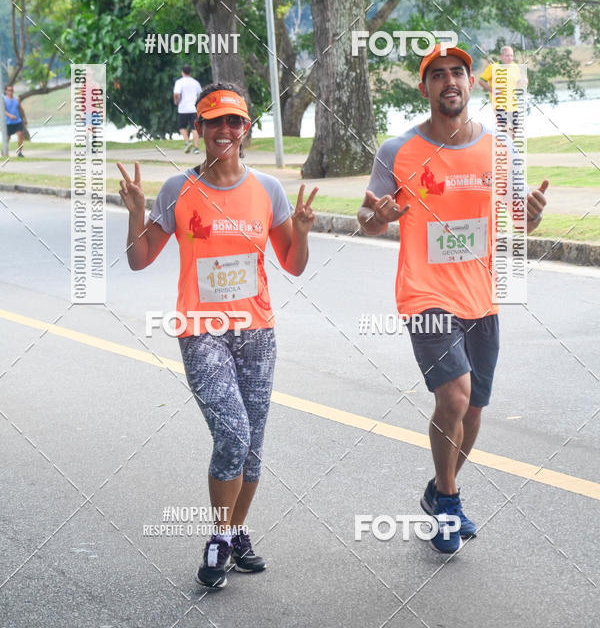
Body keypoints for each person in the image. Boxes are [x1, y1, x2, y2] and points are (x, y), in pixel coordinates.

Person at [117, 82, 317, 589]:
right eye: (214, 122)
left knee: (252, 446)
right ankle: (218, 537)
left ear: (246, 128)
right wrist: (137, 213)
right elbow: (140, 260)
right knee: (232, 433)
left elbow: (292, 265)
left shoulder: (267, 190)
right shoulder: (178, 190)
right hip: (202, 331)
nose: (225, 130)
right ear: (200, 129)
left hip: (257, 333)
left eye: (234, 121)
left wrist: (305, 232)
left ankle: (235, 533)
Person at [358, 45, 548, 554]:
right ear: (424, 88)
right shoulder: (397, 150)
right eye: (437, 74)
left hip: (481, 297)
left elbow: (518, 222)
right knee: (455, 396)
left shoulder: (498, 149)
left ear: (471, 84)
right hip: (425, 295)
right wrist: (379, 217)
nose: (449, 81)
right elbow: (370, 219)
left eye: (458, 73)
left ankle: (440, 490)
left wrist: (530, 214)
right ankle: (447, 501)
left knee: (475, 410)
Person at [479, 45, 525, 137]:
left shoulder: (515, 67)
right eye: (507, 56)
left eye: (511, 55)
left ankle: (509, 149)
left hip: (513, 105)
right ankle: (508, 149)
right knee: (507, 129)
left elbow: (519, 83)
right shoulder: (493, 67)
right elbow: (481, 81)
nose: (510, 58)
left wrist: (524, 81)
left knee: (514, 131)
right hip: (499, 105)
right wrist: (492, 89)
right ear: (501, 56)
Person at [173, 64, 202, 153]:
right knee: (194, 128)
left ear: (182, 72)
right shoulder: (195, 82)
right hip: (193, 108)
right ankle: (196, 148)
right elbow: (200, 94)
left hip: (183, 108)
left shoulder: (179, 82)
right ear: (190, 72)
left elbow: (176, 93)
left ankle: (187, 142)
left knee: (182, 127)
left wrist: (176, 101)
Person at [3, 84, 27, 157]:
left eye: (12, 90)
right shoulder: (3, 99)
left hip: (17, 121)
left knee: (20, 136)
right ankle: (4, 150)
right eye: (9, 90)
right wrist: (10, 115)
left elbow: (21, 109)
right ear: (6, 91)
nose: (11, 92)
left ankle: (19, 152)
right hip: (8, 122)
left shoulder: (16, 99)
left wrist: (25, 118)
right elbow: (2, 110)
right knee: (8, 138)